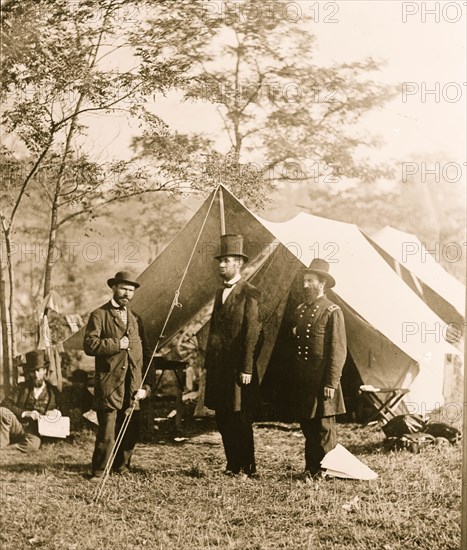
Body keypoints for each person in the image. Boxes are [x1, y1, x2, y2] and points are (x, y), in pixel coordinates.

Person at [84, 270, 152, 480]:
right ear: (114, 288)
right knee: (107, 430)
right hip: (109, 384)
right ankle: (99, 470)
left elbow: (145, 353)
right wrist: (116, 344)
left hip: (132, 384)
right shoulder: (99, 315)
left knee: (130, 426)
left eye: (131, 290)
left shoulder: (136, 318)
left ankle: (122, 467)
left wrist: (144, 385)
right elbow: (89, 345)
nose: (127, 294)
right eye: (123, 288)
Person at [204, 234, 261, 478]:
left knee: (239, 418)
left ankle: (247, 467)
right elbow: (214, 331)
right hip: (219, 369)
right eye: (220, 261)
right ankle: (232, 464)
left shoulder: (250, 292)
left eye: (226, 261)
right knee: (223, 417)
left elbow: (252, 333)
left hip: (239, 368)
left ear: (239, 263)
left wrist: (246, 368)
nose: (221, 265)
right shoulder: (219, 293)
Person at [292, 258, 347, 478]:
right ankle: (311, 468)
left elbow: (338, 349)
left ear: (322, 282)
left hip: (323, 379)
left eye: (310, 280)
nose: (305, 285)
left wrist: (331, 383)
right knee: (308, 425)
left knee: (324, 427)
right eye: (304, 280)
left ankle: (328, 470)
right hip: (306, 379)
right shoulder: (301, 309)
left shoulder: (332, 311)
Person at [0, 350, 61, 452]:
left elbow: (63, 408)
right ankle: (2, 444)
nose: (36, 375)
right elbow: (5, 403)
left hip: (35, 431)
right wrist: (24, 413)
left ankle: (6, 450)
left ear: (45, 371)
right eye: (33, 371)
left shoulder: (53, 391)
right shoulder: (22, 387)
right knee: (2, 411)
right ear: (28, 372)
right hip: (18, 426)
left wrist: (56, 413)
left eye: (39, 370)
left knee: (32, 446)